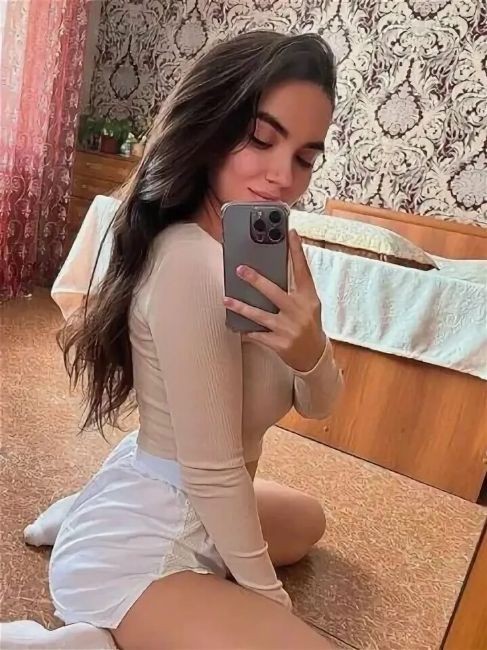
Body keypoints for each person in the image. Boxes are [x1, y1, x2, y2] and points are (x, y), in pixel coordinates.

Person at [2, 30, 343, 650]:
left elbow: (321, 403)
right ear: (212, 127)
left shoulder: (263, 252)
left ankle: (85, 507)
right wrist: (269, 603)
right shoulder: (188, 262)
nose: (282, 176)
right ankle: (83, 621)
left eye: (304, 157)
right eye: (261, 139)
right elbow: (212, 469)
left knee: (307, 523)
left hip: (201, 497)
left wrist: (310, 349)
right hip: (146, 544)